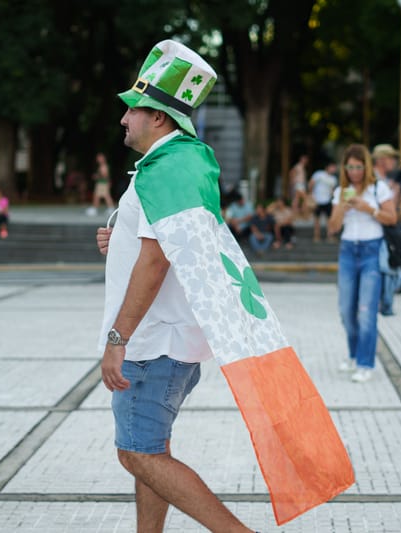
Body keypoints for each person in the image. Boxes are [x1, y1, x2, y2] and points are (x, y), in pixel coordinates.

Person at [94, 40, 258, 533]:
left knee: (137, 455)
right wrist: (117, 235)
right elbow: (164, 241)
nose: (124, 119)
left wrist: (117, 340)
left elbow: (156, 258)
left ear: (159, 119)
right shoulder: (183, 163)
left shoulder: (165, 168)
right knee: (152, 449)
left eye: (133, 110)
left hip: (151, 343)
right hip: (172, 340)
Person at [328, 144, 397, 383]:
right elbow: (332, 228)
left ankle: (365, 363)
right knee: (346, 310)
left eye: (358, 167)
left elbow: (392, 218)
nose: (354, 171)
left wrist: (369, 209)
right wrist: (342, 209)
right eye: (350, 167)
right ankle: (354, 354)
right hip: (348, 251)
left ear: (366, 167)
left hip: (371, 251)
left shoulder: (379, 188)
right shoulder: (340, 191)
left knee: (366, 311)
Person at [371, 144, 401, 316]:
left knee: (392, 271)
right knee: (389, 271)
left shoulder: (384, 182)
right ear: (382, 160)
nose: (394, 161)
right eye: (391, 158)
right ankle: (385, 304)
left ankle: (385, 303)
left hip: (386, 232)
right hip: (380, 233)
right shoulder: (375, 181)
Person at [308, 161, 338, 242]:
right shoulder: (319, 174)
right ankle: (316, 236)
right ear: (327, 167)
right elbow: (311, 183)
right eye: (332, 167)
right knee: (317, 219)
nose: (334, 169)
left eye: (334, 168)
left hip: (327, 200)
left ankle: (330, 236)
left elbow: (332, 190)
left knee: (329, 219)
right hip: (317, 200)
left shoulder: (333, 179)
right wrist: (310, 195)